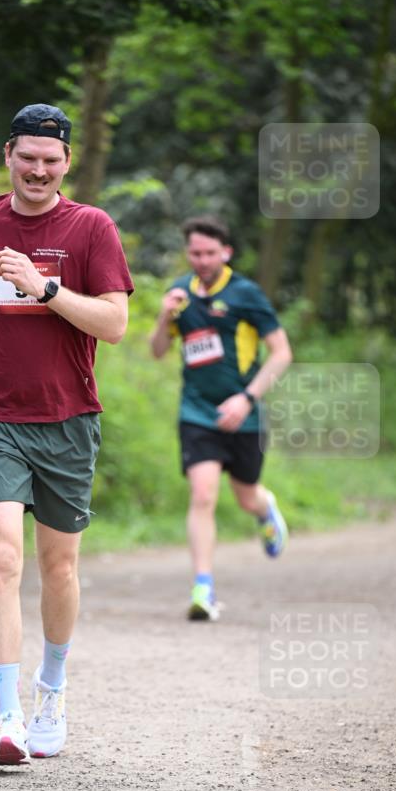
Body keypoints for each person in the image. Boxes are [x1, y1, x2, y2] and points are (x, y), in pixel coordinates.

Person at [0, 103, 133, 766]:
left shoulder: (90, 228)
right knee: (1, 559)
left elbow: (112, 324)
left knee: (59, 565)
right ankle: (8, 717)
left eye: (51, 161)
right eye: (28, 158)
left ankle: (51, 688)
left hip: (68, 419)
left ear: (67, 162)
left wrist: (42, 287)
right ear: (8, 156)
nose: (39, 171)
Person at [150, 216, 292, 622]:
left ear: (225, 253)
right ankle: (203, 587)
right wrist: (164, 317)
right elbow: (158, 351)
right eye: (195, 253)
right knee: (203, 495)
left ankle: (266, 511)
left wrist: (247, 399)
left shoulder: (246, 294)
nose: (202, 260)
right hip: (196, 412)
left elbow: (282, 352)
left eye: (210, 253)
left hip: (244, 414)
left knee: (246, 495)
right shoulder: (178, 293)